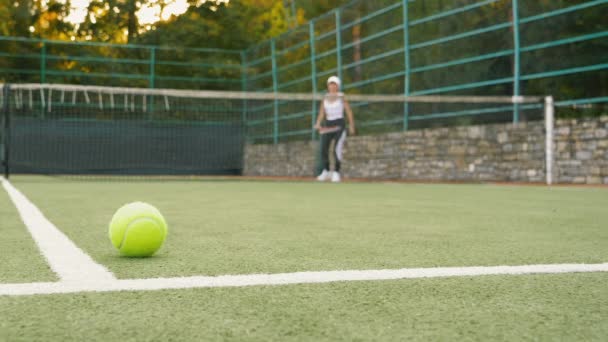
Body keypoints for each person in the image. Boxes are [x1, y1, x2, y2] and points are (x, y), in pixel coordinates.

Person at [314, 76, 355, 182]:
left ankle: (336, 172)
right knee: (324, 148)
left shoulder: (342, 97)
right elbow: (322, 113)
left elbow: (348, 111)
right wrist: (318, 123)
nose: (332, 86)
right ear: (328, 86)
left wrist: (351, 125)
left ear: (338, 86)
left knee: (337, 149)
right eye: (330, 84)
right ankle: (326, 171)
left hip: (339, 125)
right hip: (328, 125)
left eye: (334, 84)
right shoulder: (325, 97)